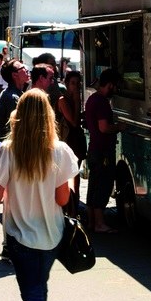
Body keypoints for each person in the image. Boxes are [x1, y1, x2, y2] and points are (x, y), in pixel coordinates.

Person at [0, 88, 78, 301]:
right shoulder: (60, 150)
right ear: (49, 116)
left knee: (32, 299)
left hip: (20, 236)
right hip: (51, 235)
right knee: (39, 288)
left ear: (19, 116)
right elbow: (62, 199)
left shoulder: (7, 150)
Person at [0, 59, 30, 262]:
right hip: (13, 154)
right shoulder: (12, 97)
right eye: (22, 68)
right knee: (11, 202)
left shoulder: (16, 95)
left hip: (11, 153)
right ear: (14, 75)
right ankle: (10, 245)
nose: (26, 70)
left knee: (13, 201)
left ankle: (11, 244)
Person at [84, 68, 125, 233]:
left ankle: (91, 222)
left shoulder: (92, 99)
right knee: (104, 185)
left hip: (93, 149)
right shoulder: (101, 102)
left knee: (93, 185)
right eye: (115, 87)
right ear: (109, 85)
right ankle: (100, 223)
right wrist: (119, 127)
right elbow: (103, 127)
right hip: (102, 151)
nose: (115, 91)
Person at [57, 70, 87, 217]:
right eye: (73, 83)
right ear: (67, 84)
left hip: (77, 141)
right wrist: (76, 101)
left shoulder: (77, 99)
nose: (76, 86)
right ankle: (70, 210)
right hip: (68, 142)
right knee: (68, 176)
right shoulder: (63, 100)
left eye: (78, 83)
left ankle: (75, 208)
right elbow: (73, 122)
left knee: (76, 177)